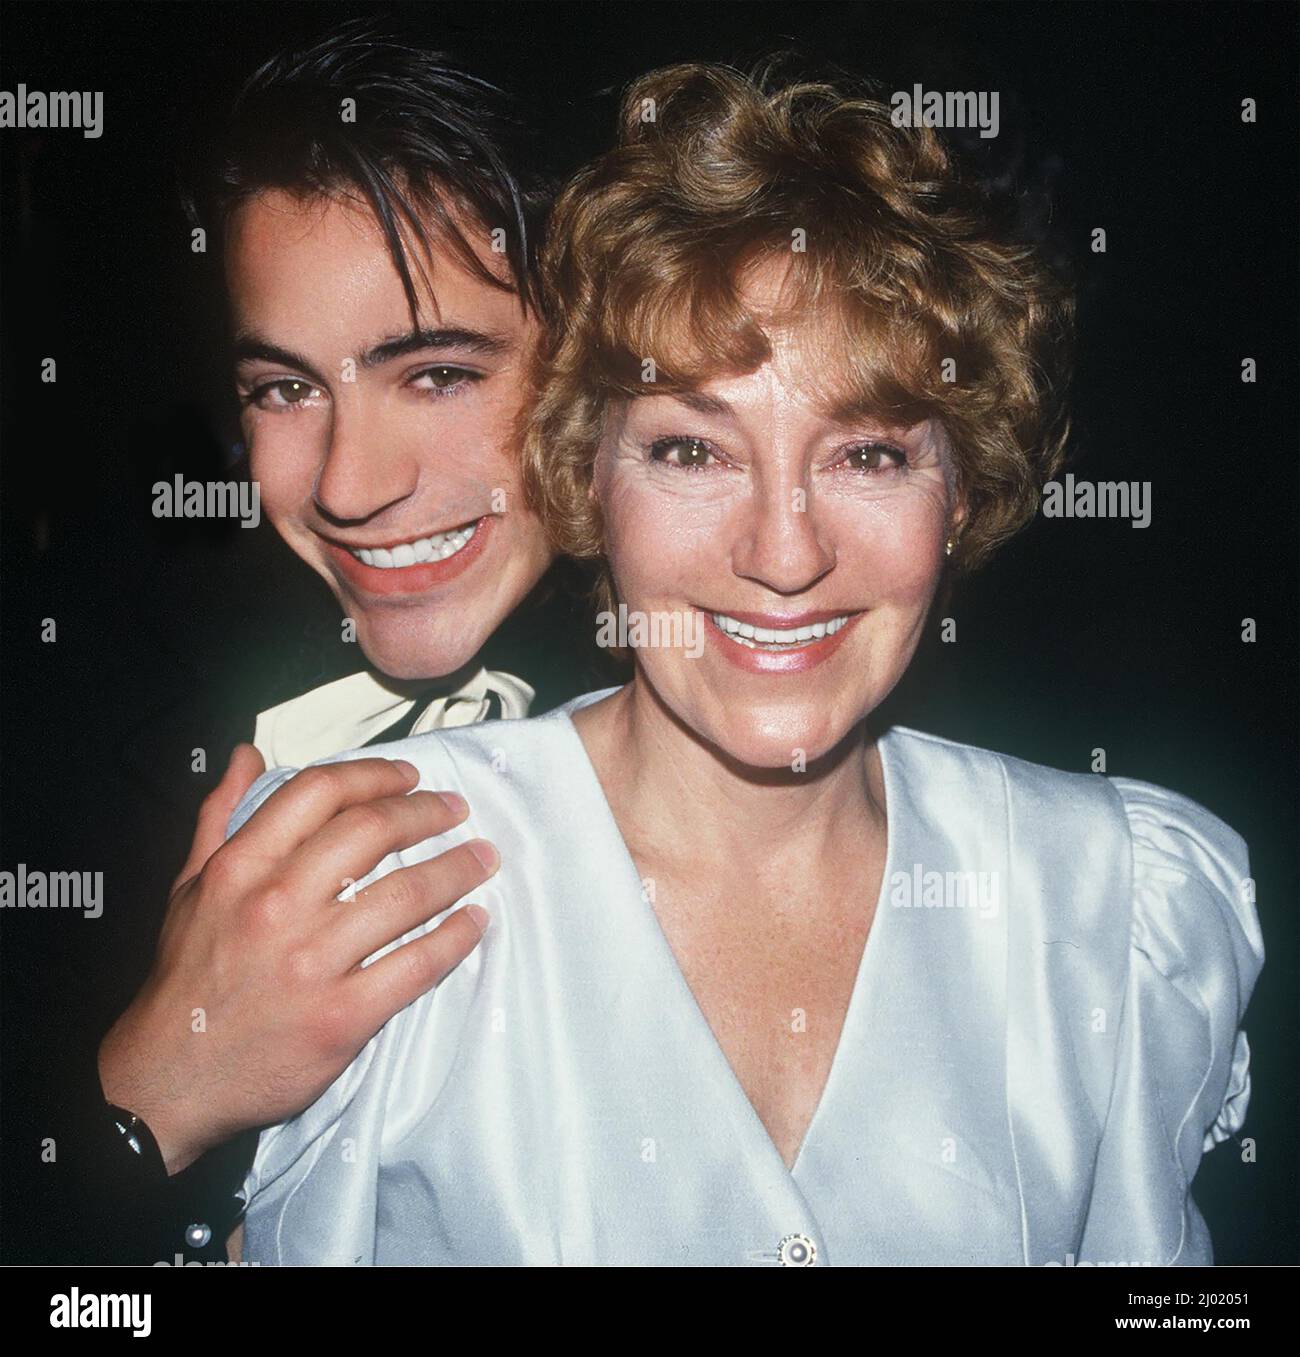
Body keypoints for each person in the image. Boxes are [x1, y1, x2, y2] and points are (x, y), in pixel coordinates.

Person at [230, 62, 1263, 1266]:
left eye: (869, 457)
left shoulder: (1120, 910)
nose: (784, 553)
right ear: (584, 472)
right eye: (691, 451)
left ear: (963, 489)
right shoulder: (368, 894)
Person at [37, 24, 608, 1264]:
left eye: (440, 373)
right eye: (285, 388)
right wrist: (155, 1092)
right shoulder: (80, 722)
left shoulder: (763, 704)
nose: (346, 484)